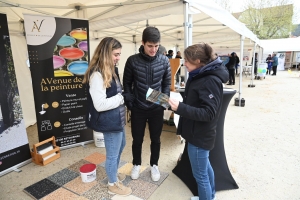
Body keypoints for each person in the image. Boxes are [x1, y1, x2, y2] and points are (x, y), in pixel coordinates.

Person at [168, 43, 228, 200]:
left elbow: (209, 113)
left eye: (187, 60)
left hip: (199, 136)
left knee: (200, 175)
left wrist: (181, 108)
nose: (184, 63)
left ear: (199, 61)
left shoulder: (209, 80)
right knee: (205, 168)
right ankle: (210, 196)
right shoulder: (201, 75)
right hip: (197, 133)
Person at [83, 37, 132, 196]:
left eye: (119, 54)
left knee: (121, 146)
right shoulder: (97, 74)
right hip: (109, 122)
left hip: (117, 119)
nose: (118, 58)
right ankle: (112, 184)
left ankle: (114, 174)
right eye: (116, 54)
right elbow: (99, 104)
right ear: (106, 53)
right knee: (112, 154)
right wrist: (122, 98)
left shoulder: (110, 69)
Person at [123, 27, 171, 182]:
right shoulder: (132, 60)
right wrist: (130, 103)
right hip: (138, 107)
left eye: (157, 46)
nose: (154, 49)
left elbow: (166, 83)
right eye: (150, 46)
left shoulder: (164, 60)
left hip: (156, 107)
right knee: (137, 139)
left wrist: (163, 103)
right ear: (143, 43)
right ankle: (136, 163)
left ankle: (154, 165)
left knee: (156, 139)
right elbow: (127, 84)